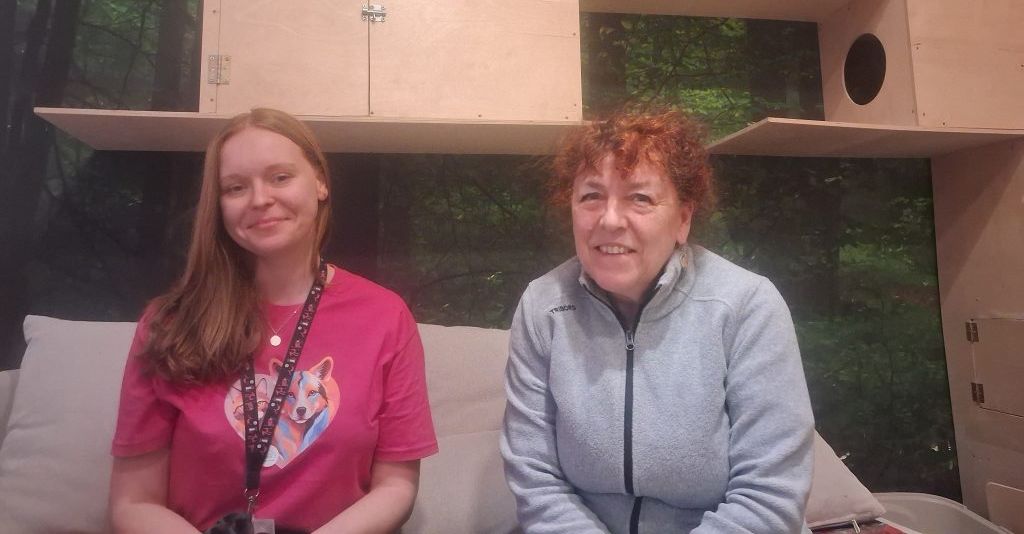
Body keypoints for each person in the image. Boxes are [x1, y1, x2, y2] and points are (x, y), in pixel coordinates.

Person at [109, 108, 437, 534]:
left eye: (280, 177)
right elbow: (133, 502)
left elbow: (396, 487)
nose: (260, 199)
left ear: (320, 182)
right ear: (219, 205)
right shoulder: (169, 322)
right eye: (236, 187)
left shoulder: (385, 316)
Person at [500, 106, 815, 534]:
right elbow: (535, 479)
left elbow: (770, 496)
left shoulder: (746, 305)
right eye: (591, 196)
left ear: (683, 218)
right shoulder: (543, 305)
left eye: (640, 198)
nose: (610, 220)